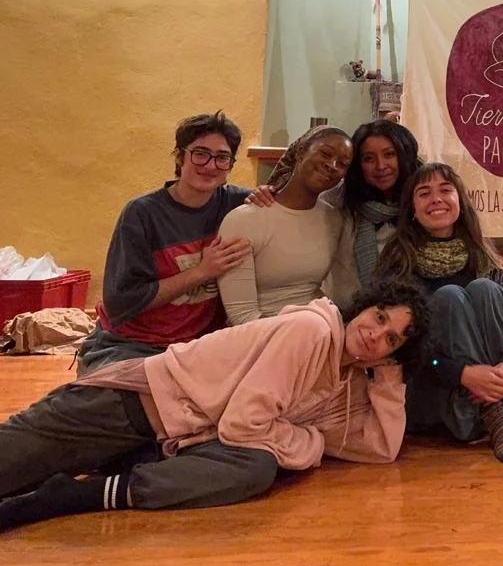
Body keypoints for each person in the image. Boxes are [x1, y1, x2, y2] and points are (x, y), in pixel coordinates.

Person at [0, 280, 429, 531]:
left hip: (163, 440)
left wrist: (390, 376)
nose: (376, 333)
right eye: (379, 316)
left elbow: (379, 448)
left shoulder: (343, 380)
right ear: (363, 308)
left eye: (392, 338)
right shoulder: (311, 331)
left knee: (256, 467)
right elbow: (244, 426)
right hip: (125, 405)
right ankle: (63, 490)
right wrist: (311, 444)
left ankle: (79, 494)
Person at [378, 163, 503, 466]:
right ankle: (491, 413)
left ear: (460, 200)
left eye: (446, 190)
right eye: (424, 193)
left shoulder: (483, 255)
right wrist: (462, 374)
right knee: (448, 297)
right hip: (436, 388)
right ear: (411, 209)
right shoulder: (398, 261)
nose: (437, 199)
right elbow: (401, 350)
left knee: (485, 289)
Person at [78, 112, 254, 375]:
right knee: (119, 403)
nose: (210, 165)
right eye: (200, 153)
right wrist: (202, 272)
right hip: (132, 344)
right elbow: (121, 302)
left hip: (199, 346)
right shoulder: (141, 213)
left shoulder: (238, 204)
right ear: (180, 157)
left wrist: (267, 194)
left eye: (222, 157)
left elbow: (289, 193)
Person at [250, 120, 424, 309]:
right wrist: (266, 194)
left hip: (401, 318)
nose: (380, 166)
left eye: (390, 154)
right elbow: (293, 209)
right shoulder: (336, 199)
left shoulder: (421, 202)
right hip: (336, 314)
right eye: (369, 158)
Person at [216, 126, 353, 325]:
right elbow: (241, 315)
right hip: (257, 336)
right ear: (300, 153)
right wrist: (292, 339)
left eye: (342, 164)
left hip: (319, 327)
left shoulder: (334, 218)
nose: (332, 165)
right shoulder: (243, 221)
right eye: (325, 153)